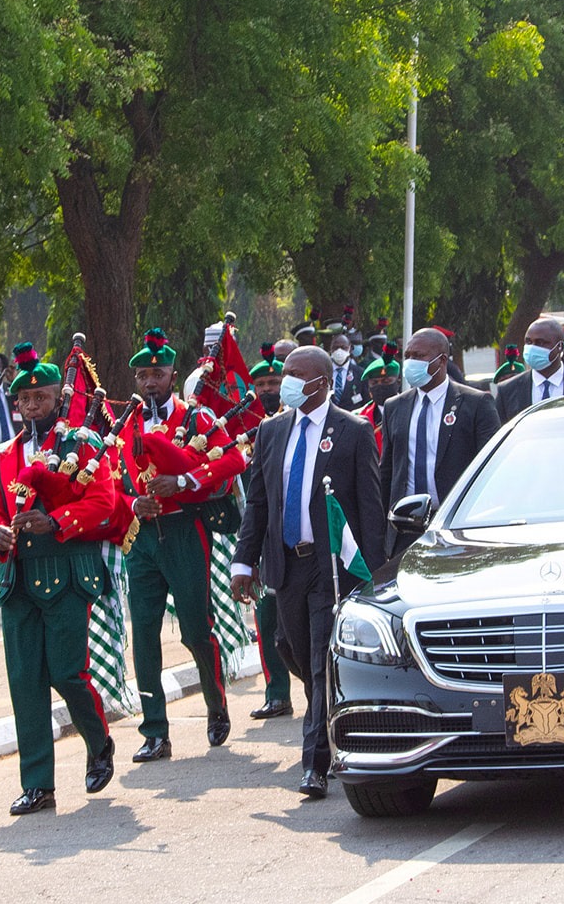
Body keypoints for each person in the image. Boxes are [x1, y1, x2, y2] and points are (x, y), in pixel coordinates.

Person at [0, 346, 130, 815]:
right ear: (16, 405)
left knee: (67, 673)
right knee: (25, 682)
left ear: (57, 400)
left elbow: (104, 502)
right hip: (18, 578)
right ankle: (38, 784)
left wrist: (58, 520)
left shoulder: (82, 444)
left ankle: (98, 741)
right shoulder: (2, 457)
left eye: (41, 398)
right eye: (24, 400)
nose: (32, 407)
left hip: (66, 574)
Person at [232, 345, 383, 799]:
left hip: (330, 567)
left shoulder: (353, 431)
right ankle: (331, 708)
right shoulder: (271, 431)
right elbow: (258, 502)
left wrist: (374, 575)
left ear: (321, 382)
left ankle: (315, 762)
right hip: (284, 564)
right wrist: (244, 561)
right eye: (285, 374)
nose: (287, 382)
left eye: (296, 375)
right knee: (288, 647)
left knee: (319, 657)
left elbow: (371, 509)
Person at [114, 330, 247, 761]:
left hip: (186, 532)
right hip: (142, 540)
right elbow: (109, 484)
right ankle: (154, 730)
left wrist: (185, 480)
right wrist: (135, 501)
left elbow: (233, 458)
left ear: (173, 374)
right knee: (145, 635)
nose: (150, 382)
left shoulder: (197, 418)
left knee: (195, 627)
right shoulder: (125, 425)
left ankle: (216, 705)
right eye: (143, 375)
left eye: (158, 373)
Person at [379, 328, 500, 557]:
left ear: (442, 360)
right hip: (406, 527)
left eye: (419, 356)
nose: (411, 363)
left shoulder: (475, 404)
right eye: (408, 356)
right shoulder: (395, 407)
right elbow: (387, 471)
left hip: (456, 525)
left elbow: (490, 471)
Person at [245, 352, 294, 721]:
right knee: (267, 619)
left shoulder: (296, 423)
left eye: (273, 385)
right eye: (260, 385)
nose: (267, 391)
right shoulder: (247, 429)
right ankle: (277, 693)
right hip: (264, 534)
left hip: (302, 536)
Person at [497, 316, 564, 422]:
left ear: (560, 347)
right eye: (529, 342)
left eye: (540, 342)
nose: (533, 348)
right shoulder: (507, 390)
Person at [325, 326, 366, 409]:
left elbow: (366, 402)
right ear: (330, 349)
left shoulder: (360, 373)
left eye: (343, 348)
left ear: (350, 349)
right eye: (335, 348)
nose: (339, 351)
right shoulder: (324, 373)